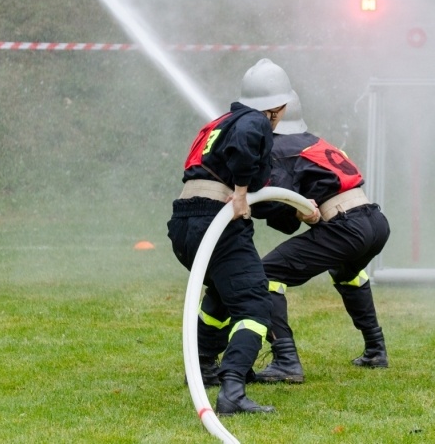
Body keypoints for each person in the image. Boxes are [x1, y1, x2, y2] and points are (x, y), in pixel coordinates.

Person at [166, 58, 293, 415]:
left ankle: (205, 365)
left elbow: (254, 191)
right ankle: (232, 390)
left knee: (223, 294)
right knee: (254, 302)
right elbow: (245, 158)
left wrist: (295, 211)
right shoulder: (254, 121)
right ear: (278, 107)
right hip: (215, 221)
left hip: (185, 222)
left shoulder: (219, 124)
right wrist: (239, 191)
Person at [250, 88, 391, 384]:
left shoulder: (278, 148)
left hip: (344, 225)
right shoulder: (314, 141)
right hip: (375, 221)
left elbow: (275, 201)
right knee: (347, 270)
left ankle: (286, 361)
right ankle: (376, 349)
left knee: (266, 274)